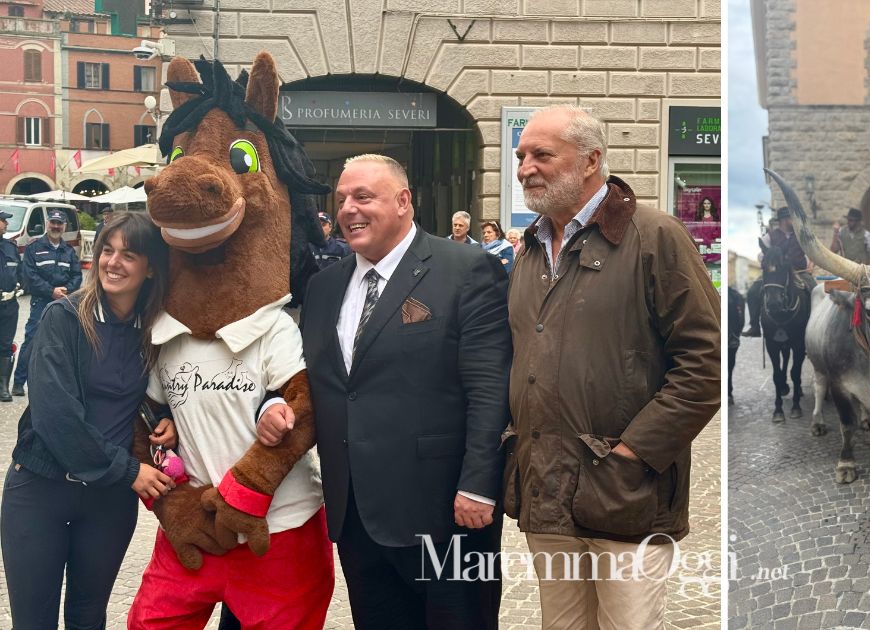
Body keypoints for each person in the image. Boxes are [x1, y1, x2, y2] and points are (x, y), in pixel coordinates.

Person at [259, 153, 511, 628]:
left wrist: (479, 483)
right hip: (356, 513)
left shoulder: (466, 269)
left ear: (403, 201)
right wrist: (273, 402)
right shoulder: (325, 287)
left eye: (363, 196)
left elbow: (490, 387)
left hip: (446, 514)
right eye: (341, 199)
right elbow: (308, 376)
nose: (348, 209)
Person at [506, 105, 721, 628]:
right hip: (547, 492)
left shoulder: (655, 236)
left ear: (590, 160)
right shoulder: (530, 250)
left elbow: (704, 365)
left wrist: (631, 454)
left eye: (542, 155)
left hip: (627, 493)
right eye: (521, 155)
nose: (525, 167)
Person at [1, 211, 176, 628]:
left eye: (128, 255)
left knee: (87, 617)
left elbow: (165, 388)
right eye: (107, 251)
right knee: (34, 621)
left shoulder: (156, 332)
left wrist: (167, 417)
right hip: (40, 491)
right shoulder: (64, 318)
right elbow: (54, 413)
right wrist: (128, 469)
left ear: (151, 267)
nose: (112, 262)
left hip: (107, 502)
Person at [13, 209, 82, 396]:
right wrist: (51, 291)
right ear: (47, 223)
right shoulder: (34, 248)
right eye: (53, 222)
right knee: (32, 342)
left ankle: (57, 386)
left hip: (64, 302)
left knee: (64, 343)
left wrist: (66, 290)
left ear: (64, 226)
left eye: (60, 224)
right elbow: (29, 276)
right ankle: (19, 383)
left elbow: (77, 275)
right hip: (41, 302)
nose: (56, 226)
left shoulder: (68, 251)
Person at [0, 210, 19, 402]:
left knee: (5, 345)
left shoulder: (10, 248)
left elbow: (19, 272)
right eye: (3, 220)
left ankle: (3, 387)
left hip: (8, 305)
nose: (6, 224)